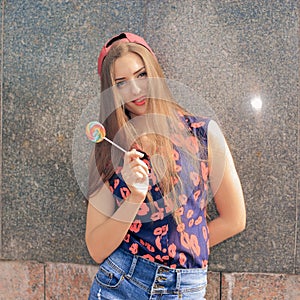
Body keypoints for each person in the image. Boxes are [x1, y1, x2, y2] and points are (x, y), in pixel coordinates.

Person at [86, 32, 246, 300]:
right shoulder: (109, 147)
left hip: (185, 288)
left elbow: (234, 220)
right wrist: (134, 198)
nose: (135, 90)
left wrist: (176, 250)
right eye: (121, 83)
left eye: (141, 75)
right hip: (121, 283)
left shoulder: (202, 134)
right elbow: (97, 248)